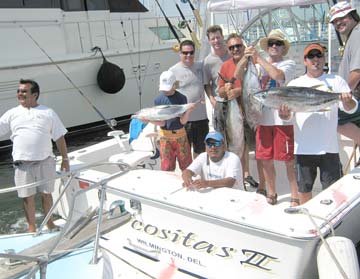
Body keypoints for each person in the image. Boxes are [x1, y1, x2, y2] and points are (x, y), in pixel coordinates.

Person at [280, 43, 358, 205]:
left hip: (329, 147)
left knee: (332, 190)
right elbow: (288, 117)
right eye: (311, 56)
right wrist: (284, 115)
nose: (315, 59)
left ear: (324, 59)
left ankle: (332, 221)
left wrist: (348, 101)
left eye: (319, 55)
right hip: (303, 148)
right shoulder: (294, 85)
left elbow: (350, 109)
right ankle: (306, 218)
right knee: (304, 189)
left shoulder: (336, 81)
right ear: (305, 61)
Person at [236, 29, 298, 206]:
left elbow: (278, 76)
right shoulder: (255, 67)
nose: (274, 46)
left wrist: (259, 58)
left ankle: (295, 194)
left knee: (288, 160)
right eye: (271, 43)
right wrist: (245, 57)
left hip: (282, 120)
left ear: (283, 47)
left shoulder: (289, 64)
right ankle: (272, 192)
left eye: (278, 43)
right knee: (264, 159)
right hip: (261, 119)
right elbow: (238, 76)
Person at [0, 79, 69, 232]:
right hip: (22, 165)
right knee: (27, 197)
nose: (20, 94)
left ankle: (50, 223)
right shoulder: (12, 113)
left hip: (45, 161)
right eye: (19, 91)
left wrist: (65, 159)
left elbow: (59, 137)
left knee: (46, 194)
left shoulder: (48, 112)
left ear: (35, 94)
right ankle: (32, 228)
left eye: (24, 91)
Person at [217, 33, 259, 189]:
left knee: (250, 146)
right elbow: (220, 92)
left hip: (253, 111)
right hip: (234, 113)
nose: (235, 49)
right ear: (228, 50)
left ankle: (247, 175)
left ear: (243, 46)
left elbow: (256, 88)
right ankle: (239, 178)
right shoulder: (225, 66)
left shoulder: (254, 62)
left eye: (238, 46)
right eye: (232, 47)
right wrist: (226, 89)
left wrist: (238, 91)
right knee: (238, 145)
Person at [141, 71, 195, 171]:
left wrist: (188, 111)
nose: (165, 91)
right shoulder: (158, 100)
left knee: (186, 165)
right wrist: (149, 120)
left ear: (174, 85)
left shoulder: (181, 98)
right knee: (166, 167)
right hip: (165, 137)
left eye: (168, 87)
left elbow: (182, 122)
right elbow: (162, 122)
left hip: (180, 135)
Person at [170, 40, 209, 158]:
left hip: (201, 118)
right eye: (185, 53)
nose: (188, 56)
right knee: (184, 153)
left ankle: (198, 175)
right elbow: (169, 95)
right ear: (180, 53)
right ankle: (187, 175)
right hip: (183, 120)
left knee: (201, 152)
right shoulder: (173, 71)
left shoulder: (201, 66)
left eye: (191, 53)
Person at [329, 1, 360, 147]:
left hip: (355, 96)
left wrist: (342, 95)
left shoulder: (357, 35)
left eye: (342, 18)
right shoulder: (353, 35)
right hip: (354, 95)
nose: (338, 23)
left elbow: (357, 72)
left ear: (353, 15)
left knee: (333, 118)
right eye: (335, 21)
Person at [203, 25, 231, 127]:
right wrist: (212, 100)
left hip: (236, 100)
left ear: (222, 37)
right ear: (209, 41)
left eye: (218, 37)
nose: (216, 41)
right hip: (219, 103)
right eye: (213, 39)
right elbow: (207, 84)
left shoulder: (232, 54)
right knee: (221, 136)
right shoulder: (208, 62)